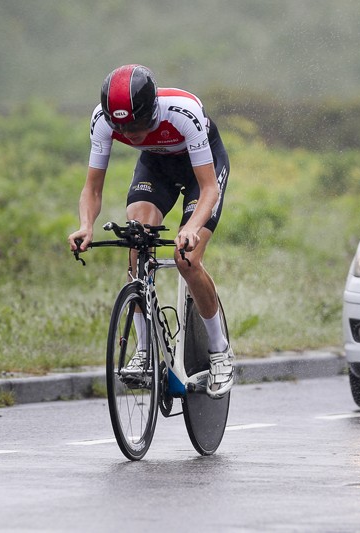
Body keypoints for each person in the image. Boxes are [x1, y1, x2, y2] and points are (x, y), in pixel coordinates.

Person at [67, 64, 233, 398]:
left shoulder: (183, 113)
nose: (132, 135)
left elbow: (209, 189)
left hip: (201, 169)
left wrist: (191, 227)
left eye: (139, 126)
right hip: (155, 167)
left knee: (186, 257)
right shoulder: (102, 120)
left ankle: (220, 351)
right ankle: (144, 351)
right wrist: (86, 225)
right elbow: (92, 189)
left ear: (152, 110)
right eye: (123, 129)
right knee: (137, 241)